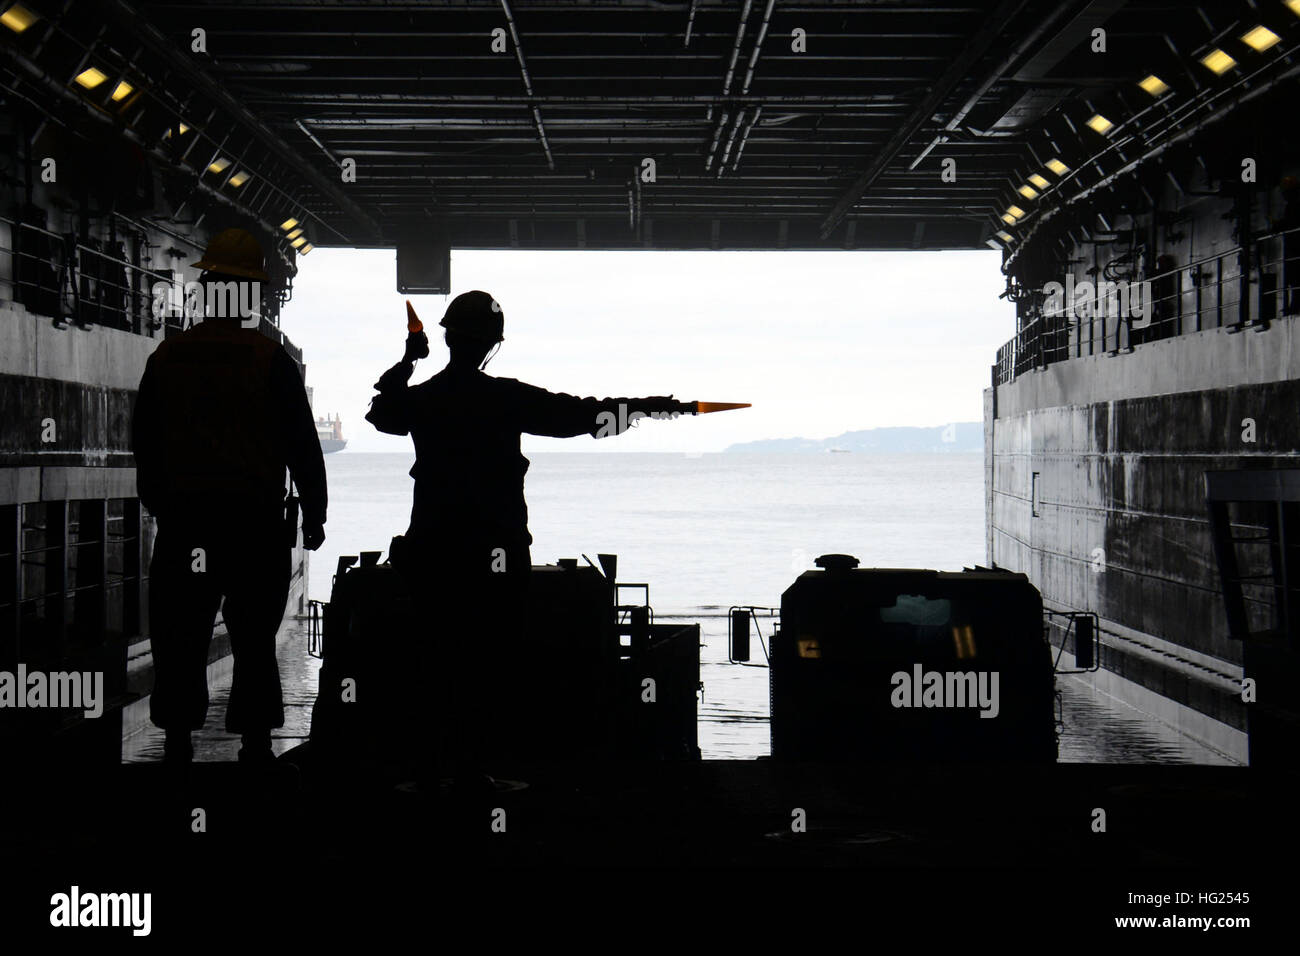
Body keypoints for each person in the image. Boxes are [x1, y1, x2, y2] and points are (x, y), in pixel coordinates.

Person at [365, 290, 684, 783]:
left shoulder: (424, 401)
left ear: (448, 338)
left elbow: (381, 412)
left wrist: (409, 360)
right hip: (496, 550)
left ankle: (437, 771)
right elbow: (582, 416)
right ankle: (475, 771)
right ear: (493, 343)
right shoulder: (505, 398)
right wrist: (646, 408)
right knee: (491, 660)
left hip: (434, 548)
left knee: (436, 654)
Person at [132, 227, 327, 765]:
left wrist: (164, 507)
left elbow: (144, 445)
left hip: (185, 525)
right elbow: (304, 450)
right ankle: (257, 748)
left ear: (209, 287)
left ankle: (175, 748)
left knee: (180, 639)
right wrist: (315, 518)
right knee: (255, 641)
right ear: (253, 296)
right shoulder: (271, 362)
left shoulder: (167, 359)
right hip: (254, 527)